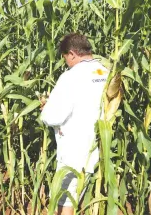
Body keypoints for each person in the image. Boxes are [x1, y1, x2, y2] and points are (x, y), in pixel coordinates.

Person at [40, 33, 109, 215]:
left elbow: (52, 116)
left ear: (71, 54)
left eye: (65, 58)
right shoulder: (105, 72)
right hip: (97, 150)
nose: (66, 63)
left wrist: (45, 108)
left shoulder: (70, 77)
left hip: (73, 154)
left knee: (63, 204)